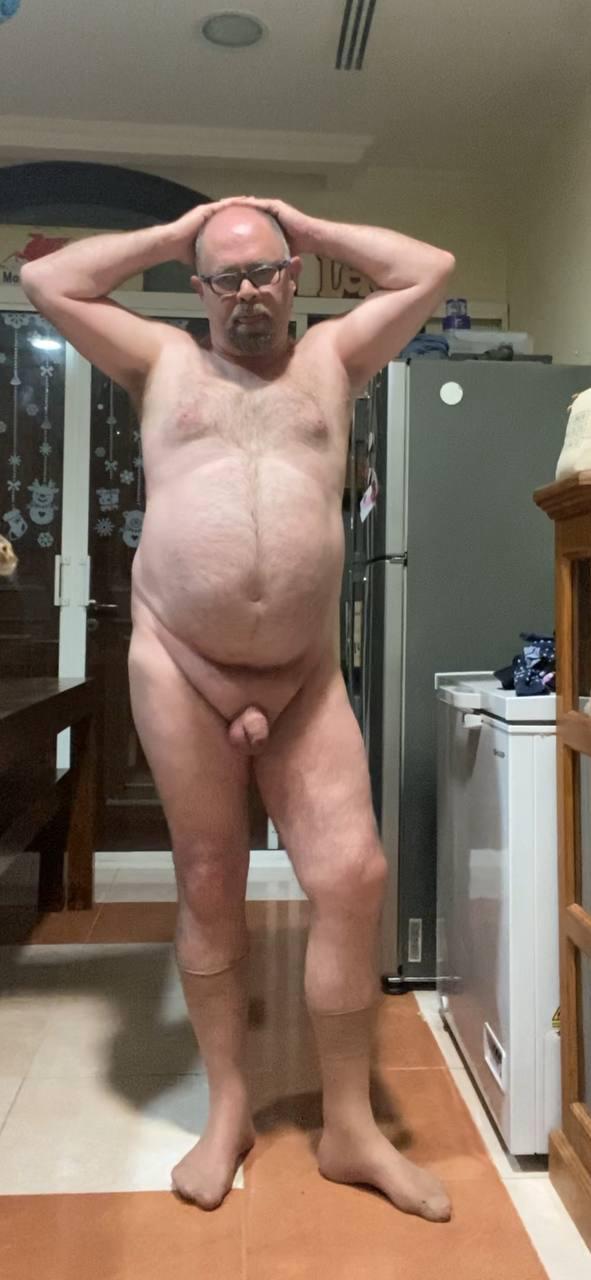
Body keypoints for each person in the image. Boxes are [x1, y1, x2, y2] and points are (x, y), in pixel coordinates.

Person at [20, 196, 455, 1220]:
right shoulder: (161, 360)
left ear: (293, 277)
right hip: (180, 661)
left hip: (303, 674)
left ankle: (349, 1127)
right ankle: (228, 1113)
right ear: (200, 288)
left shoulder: (334, 359)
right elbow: (45, 280)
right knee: (210, 878)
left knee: (352, 875)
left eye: (265, 270)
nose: (247, 291)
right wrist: (180, 233)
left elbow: (429, 266)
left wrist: (301, 221)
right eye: (225, 276)